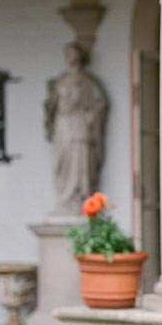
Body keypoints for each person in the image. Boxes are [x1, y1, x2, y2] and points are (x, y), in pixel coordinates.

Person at [44, 42, 109, 214]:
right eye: (68, 53)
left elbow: (100, 104)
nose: (71, 57)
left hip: (80, 125)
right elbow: (51, 107)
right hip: (62, 126)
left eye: (74, 53)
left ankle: (81, 198)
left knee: (81, 161)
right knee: (63, 163)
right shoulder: (60, 81)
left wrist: (87, 119)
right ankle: (65, 200)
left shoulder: (88, 82)